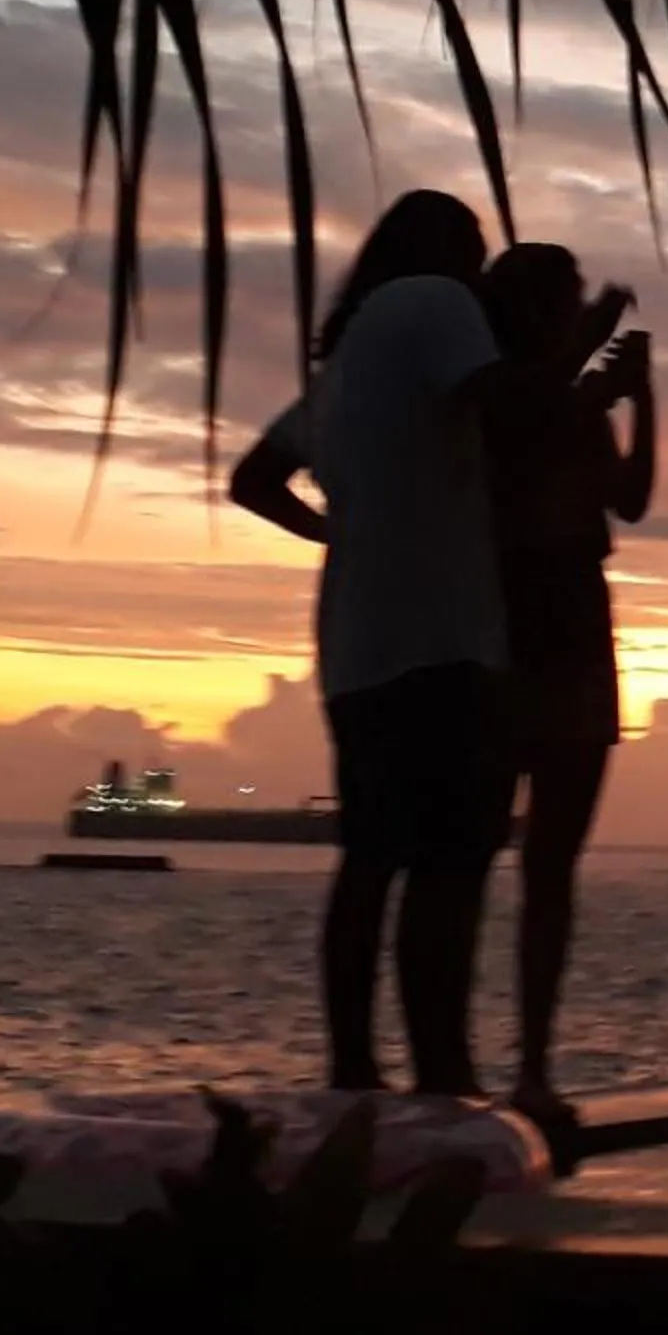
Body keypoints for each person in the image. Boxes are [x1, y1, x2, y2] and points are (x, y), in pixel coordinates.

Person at [227, 191, 520, 1097]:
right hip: (443, 633)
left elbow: (254, 481)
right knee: (450, 862)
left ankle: (354, 1065)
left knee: (372, 857)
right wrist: (580, 355)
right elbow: (503, 406)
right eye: (476, 246)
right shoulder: (439, 305)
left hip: (356, 637)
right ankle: (443, 1070)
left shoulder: (350, 360)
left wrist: (345, 532)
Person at [478, 244, 655, 1132]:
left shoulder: (574, 401)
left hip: (578, 636)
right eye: (568, 302)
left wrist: (642, 398)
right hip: (510, 633)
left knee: (552, 869)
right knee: (470, 858)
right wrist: (590, 358)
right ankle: (464, 1064)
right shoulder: (503, 390)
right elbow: (523, 427)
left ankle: (533, 1068)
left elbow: (631, 500)